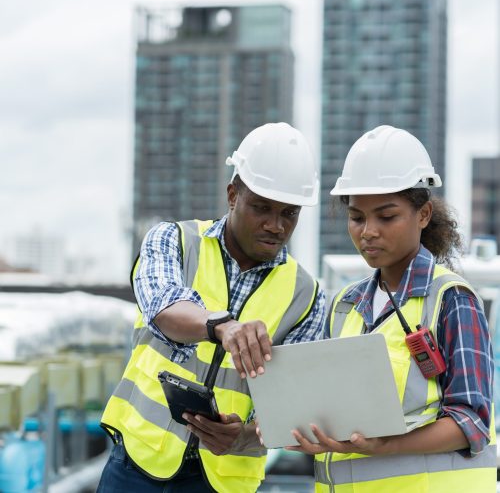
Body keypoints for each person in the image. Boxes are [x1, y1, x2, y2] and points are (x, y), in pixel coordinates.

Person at [97, 122, 326, 493]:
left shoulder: (308, 296)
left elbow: (294, 411)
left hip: (223, 480)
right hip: (137, 466)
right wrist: (222, 325)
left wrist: (245, 437)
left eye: (290, 213)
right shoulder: (175, 241)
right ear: (233, 194)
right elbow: (163, 306)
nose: (275, 225)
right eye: (261, 207)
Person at [287, 125, 496, 492]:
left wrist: (386, 446)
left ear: (424, 214)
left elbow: (472, 422)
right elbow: (324, 408)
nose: (368, 231)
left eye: (386, 217)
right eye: (357, 217)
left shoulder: (450, 300)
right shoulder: (344, 306)